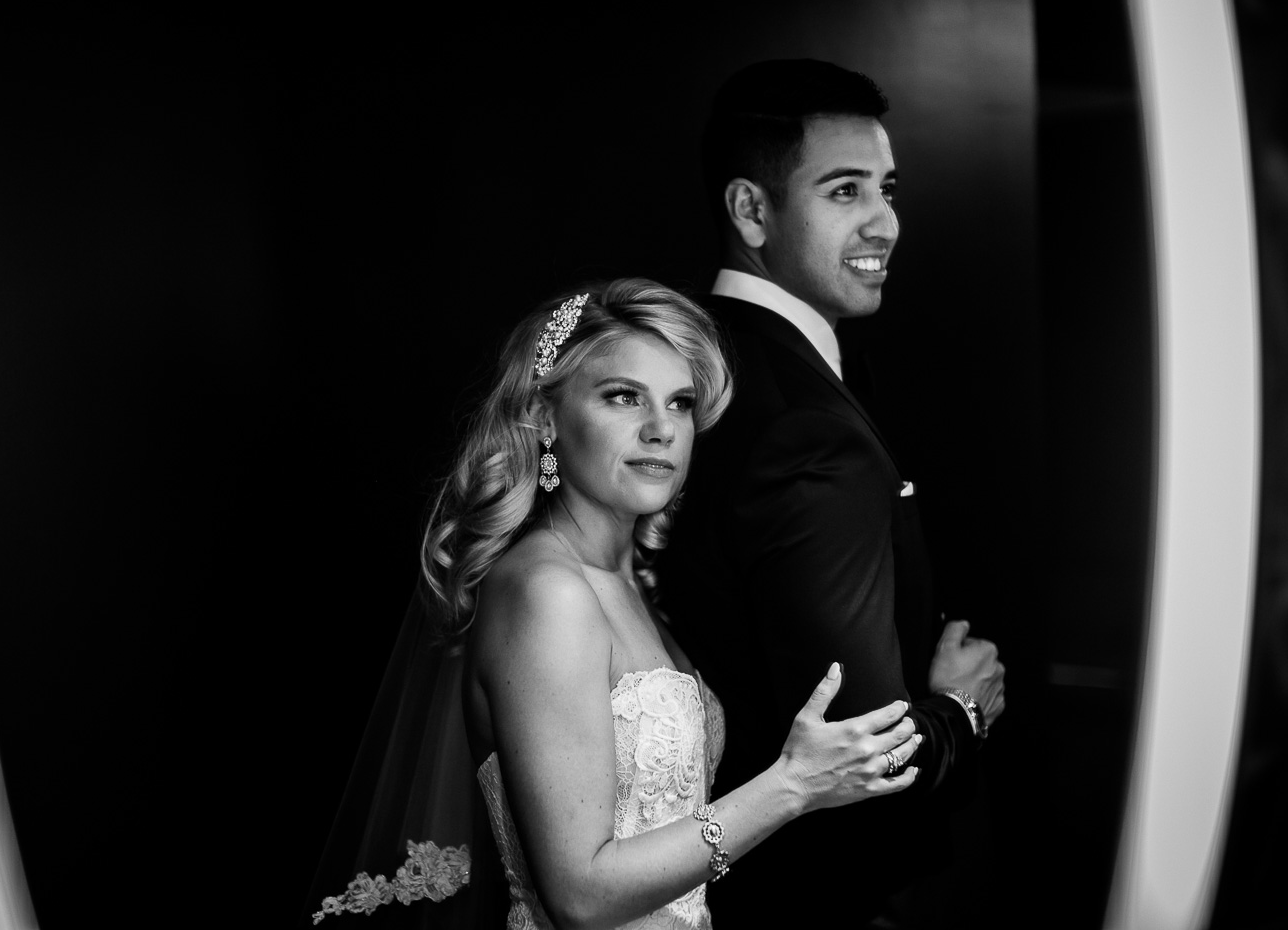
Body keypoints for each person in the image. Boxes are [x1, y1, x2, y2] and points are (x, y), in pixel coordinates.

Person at [304, 278, 924, 929]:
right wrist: (791, 786)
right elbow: (581, 893)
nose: (661, 430)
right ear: (545, 418)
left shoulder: (631, 583)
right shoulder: (549, 592)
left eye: (680, 403)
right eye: (623, 397)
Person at [659, 60, 1008, 928]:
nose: (883, 220)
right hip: (806, 894)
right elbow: (852, 749)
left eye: (886, 188)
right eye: (844, 190)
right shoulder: (805, 427)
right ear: (751, 211)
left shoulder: (685, 363)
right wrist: (961, 709)